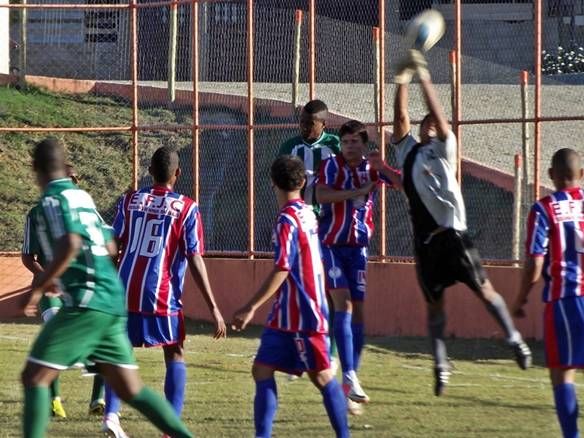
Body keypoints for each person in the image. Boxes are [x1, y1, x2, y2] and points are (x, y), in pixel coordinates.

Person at [20, 138, 193, 438]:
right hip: (112, 301)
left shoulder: (50, 201)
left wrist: (42, 285)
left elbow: (72, 243)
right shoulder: (82, 197)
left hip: (87, 303)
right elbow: (110, 245)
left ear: (36, 169)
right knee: (132, 389)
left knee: (35, 377)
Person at [390, 50, 532, 396]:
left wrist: (424, 76)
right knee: (435, 308)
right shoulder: (408, 152)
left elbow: (440, 116)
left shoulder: (445, 149)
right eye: (427, 124)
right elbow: (400, 116)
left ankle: (514, 339)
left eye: (436, 125)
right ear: (420, 130)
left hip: (454, 236)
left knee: (484, 290)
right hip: (425, 244)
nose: (432, 125)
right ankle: (440, 364)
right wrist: (402, 79)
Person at [105, 145, 227, 437]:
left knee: (117, 352)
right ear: (178, 173)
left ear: (149, 172)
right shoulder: (186, 208)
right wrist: (213, 307)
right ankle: (170, 428)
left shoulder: (129, 200)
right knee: (174, 352)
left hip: (124, 290)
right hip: (161, 293)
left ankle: (111, 414)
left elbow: (112, 246)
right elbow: (195, 257)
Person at [232, 155, 349, 438]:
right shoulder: (308, 212)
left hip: (303, 313)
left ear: (272, 182)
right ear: (304, 181)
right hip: (287, 313)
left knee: (321, 376)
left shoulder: (286, 219)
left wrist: (249, 307)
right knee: (261, 369)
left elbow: (282, 268)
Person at [316, 120, 401, 412]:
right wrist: (355, 192)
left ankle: (351, 376)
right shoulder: (331, 165)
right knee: (344, 304)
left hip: (359, 249)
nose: (350, 146)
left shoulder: (371, 167)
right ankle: (348, 373)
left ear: (364, 144)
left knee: (359, 310)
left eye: (355, 142)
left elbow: (401, 184)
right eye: (346, 142)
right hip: (331, 245)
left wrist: (385, 168)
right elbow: (321, 195)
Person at [21, 163, 106, 419]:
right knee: (54, 336)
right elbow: (28, 256)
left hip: (84, 288)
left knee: (102, 341)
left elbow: (108, 243)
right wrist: (46, 277)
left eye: (75, 181)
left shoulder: (86, 210)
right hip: (53, 292)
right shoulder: (37, 214)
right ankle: (54, 400)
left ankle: (98, 401)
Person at [512, 148, 584, 438]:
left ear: (551, 175)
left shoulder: (543, 208)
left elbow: (535, 262)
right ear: (581, 175)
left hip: (566, 300)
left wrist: (520, 299)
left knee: (562, 373)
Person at [278, 99, 341, 376]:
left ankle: (334, 353)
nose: (303, 127)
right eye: (302, 122)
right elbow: (280, 184)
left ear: (323, 124)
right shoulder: (289, 146)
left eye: (309, 123)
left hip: (329, 227)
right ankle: (296, 352)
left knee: (331, 290)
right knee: (295, 286)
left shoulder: (337, 147)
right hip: (300, 225)